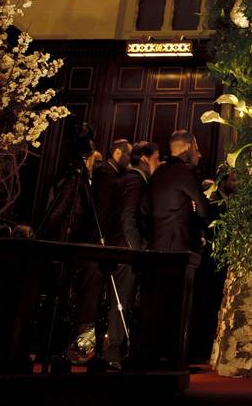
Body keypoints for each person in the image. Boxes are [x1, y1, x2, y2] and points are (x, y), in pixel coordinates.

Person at [103, 141, 159, 368]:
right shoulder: (136, 181)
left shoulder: (129, 180)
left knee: (122, 302)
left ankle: (116, 350)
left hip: (121, 248)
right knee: (121, 302)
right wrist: (137, 250)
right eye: (156, 157)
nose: (158, 162)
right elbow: (128, 219)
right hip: (126, 251)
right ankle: (113, 352)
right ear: (145, 159)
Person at [148, 130, 208, 252]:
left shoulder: (157, 172)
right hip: (178, 247)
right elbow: (202, 207)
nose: (198, 153)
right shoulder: (184, 172)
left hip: (155, 243)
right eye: (196, 148)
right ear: (189, 146)